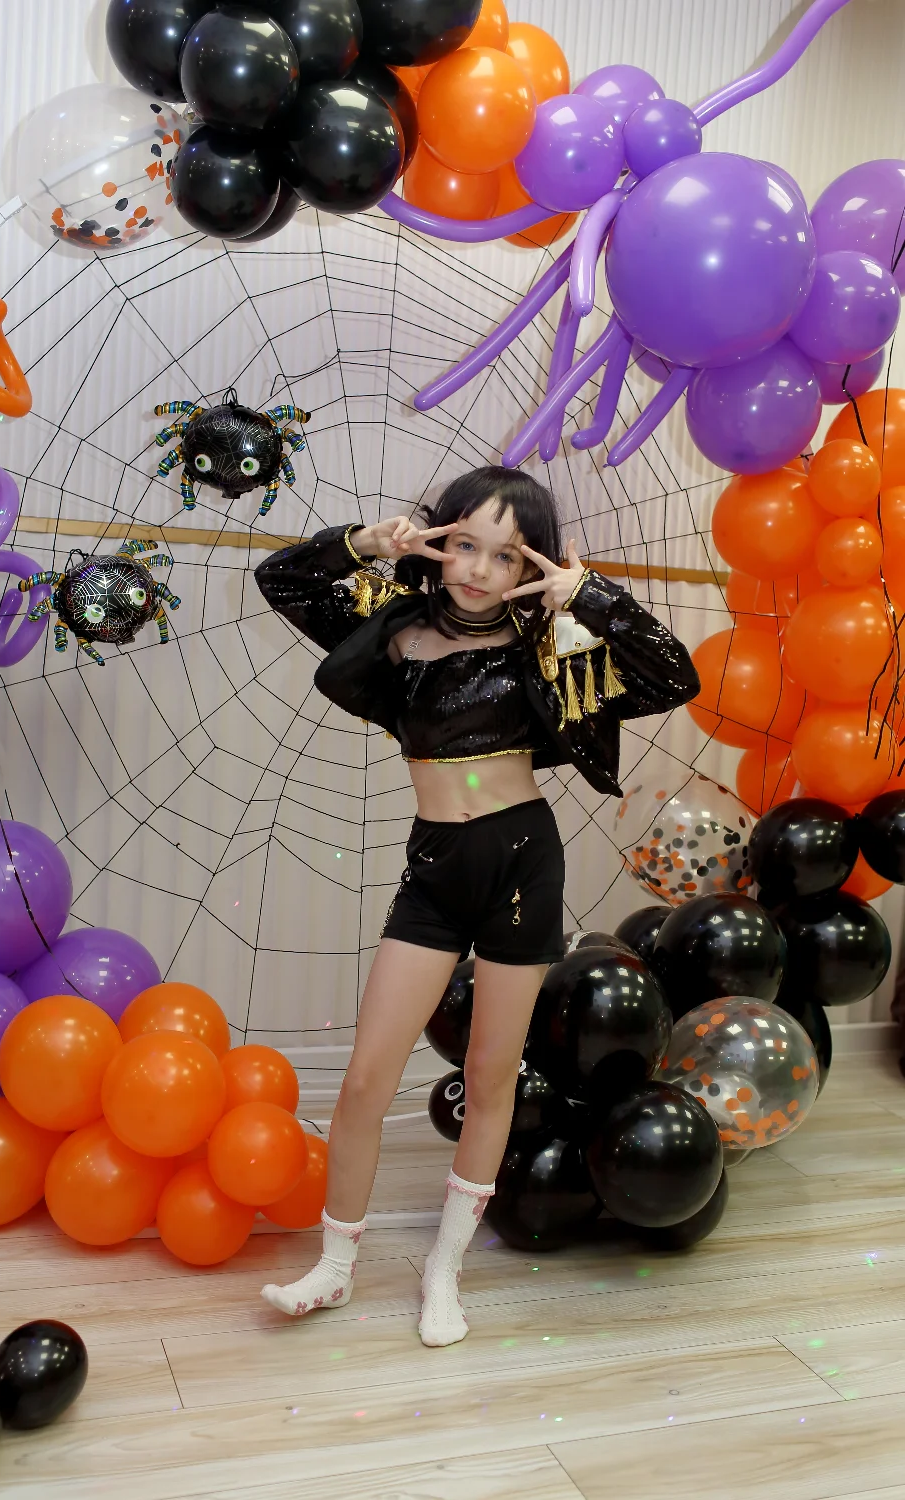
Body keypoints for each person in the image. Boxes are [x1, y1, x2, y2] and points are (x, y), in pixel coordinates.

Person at [254, 465, 698, 1347]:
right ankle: (335, 1267)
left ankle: (445, 1270)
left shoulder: (553, 644)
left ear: (530, 566)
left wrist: (590, 596)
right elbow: (283, 580)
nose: (479, 570)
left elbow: (673, 677)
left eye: (505, 556)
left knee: (493, 1075)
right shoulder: (395, 629)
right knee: (365, 1078)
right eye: (465, 544)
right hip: (435, 868)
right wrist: (364, 544)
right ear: (439, 539)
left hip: (523, 865)